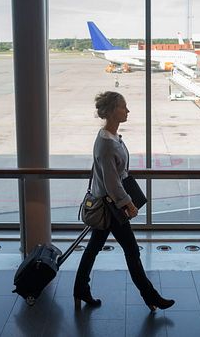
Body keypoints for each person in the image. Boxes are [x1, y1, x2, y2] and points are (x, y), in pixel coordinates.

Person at [73, 91, 175, 312]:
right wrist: (128, 203)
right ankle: (151, 296)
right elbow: (112, 182)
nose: (127, 110)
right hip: (111, 207)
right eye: (123, 107)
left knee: (94, 248)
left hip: (109, 204)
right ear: (111, 111)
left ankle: (80, 288)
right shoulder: (107, 144)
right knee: (131, 251)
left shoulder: (110, 137)